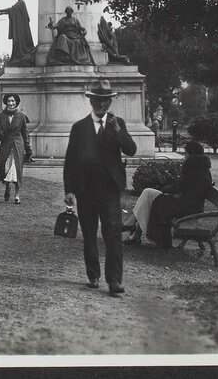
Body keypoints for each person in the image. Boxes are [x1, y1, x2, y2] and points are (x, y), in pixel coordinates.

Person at [63, 78, 137, 296]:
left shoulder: (117, 123)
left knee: (113, 234)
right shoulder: (79, 128)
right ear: (91, 101)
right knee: (89, 233)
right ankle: (93, 275)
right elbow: (71, 161)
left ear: (110, 102)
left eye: (106, 101)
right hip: (85, 190)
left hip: (109, 190)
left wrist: (119, 132)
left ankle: (114, 281)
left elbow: (131, 150)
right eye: (99, 100)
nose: (102, 105)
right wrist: (69, 190)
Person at [124, 141, 213, 248]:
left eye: (186, 154)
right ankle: (133, 228)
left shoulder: (194, 168)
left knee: (152, 199)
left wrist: (165, 189)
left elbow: (180, 187)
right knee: (148, 193)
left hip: (186, 206)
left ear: (191, 154)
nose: (184, 156)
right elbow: (184, 187)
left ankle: (133, 229)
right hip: (187, 203)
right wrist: (168, 190)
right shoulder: (200, 167)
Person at [0, 93, 32, 204]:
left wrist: (27, 148)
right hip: (6, 144)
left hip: (17, 144)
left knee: (17, 169)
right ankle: (7, 186)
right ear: (6, 102)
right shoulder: (0, 116)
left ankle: (17, 195)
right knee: (5, 167)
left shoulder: (21, 116)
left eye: (13, 101)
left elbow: (25, 133)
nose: (11, 103)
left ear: (16, 102)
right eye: (9, 101)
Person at [0, 0, 36, 66]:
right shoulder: (19, 3)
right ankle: (19, 56)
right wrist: (2, 12)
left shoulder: (21, 3)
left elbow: (12, 10)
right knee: (17, 43)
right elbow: (12, 10)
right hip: (19, 28)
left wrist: (1, 10)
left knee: (20, 42)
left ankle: (21, 55)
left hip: (21, 29)